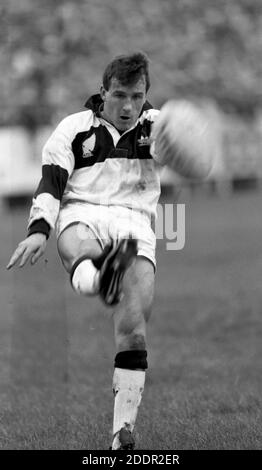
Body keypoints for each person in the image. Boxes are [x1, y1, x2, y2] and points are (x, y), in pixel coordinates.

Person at [7, 52, 162, 450]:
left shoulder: (158, 128)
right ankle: (100, 275)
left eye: (137, 96)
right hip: (83, 211)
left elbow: (191, 155)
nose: (128, 106)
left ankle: (122, 434)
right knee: (84, 247)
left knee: (134, 331)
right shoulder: (74, 129)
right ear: (103, 92)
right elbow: (51, 182)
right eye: (119, 95)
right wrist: (39, 230)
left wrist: (192, 151)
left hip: (133, 223)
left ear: (146, 95)